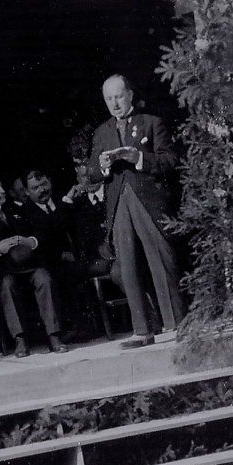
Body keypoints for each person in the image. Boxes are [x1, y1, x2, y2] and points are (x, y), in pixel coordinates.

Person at [87, 74, 184, 348]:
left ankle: (175, 323)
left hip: (148, 199)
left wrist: (139, 158)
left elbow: (171, 160)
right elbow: (92, 173)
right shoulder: (102, 132)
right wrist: (104, 165)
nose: (114, 103)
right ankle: (142, 330)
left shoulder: (152, 123)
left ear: (130, 94)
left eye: (118, 96)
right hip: (119, 202)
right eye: (109, 99)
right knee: (127, 265)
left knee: (160, 258)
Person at [0, 173, 67, 357]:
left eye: (0, 186)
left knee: (43, 277)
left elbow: (43, 230)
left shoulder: (19, 210)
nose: (2, 191)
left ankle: (54, 335)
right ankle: (20, 339)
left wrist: (31, 241)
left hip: (27, 266)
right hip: (1, 270)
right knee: (6, 283)